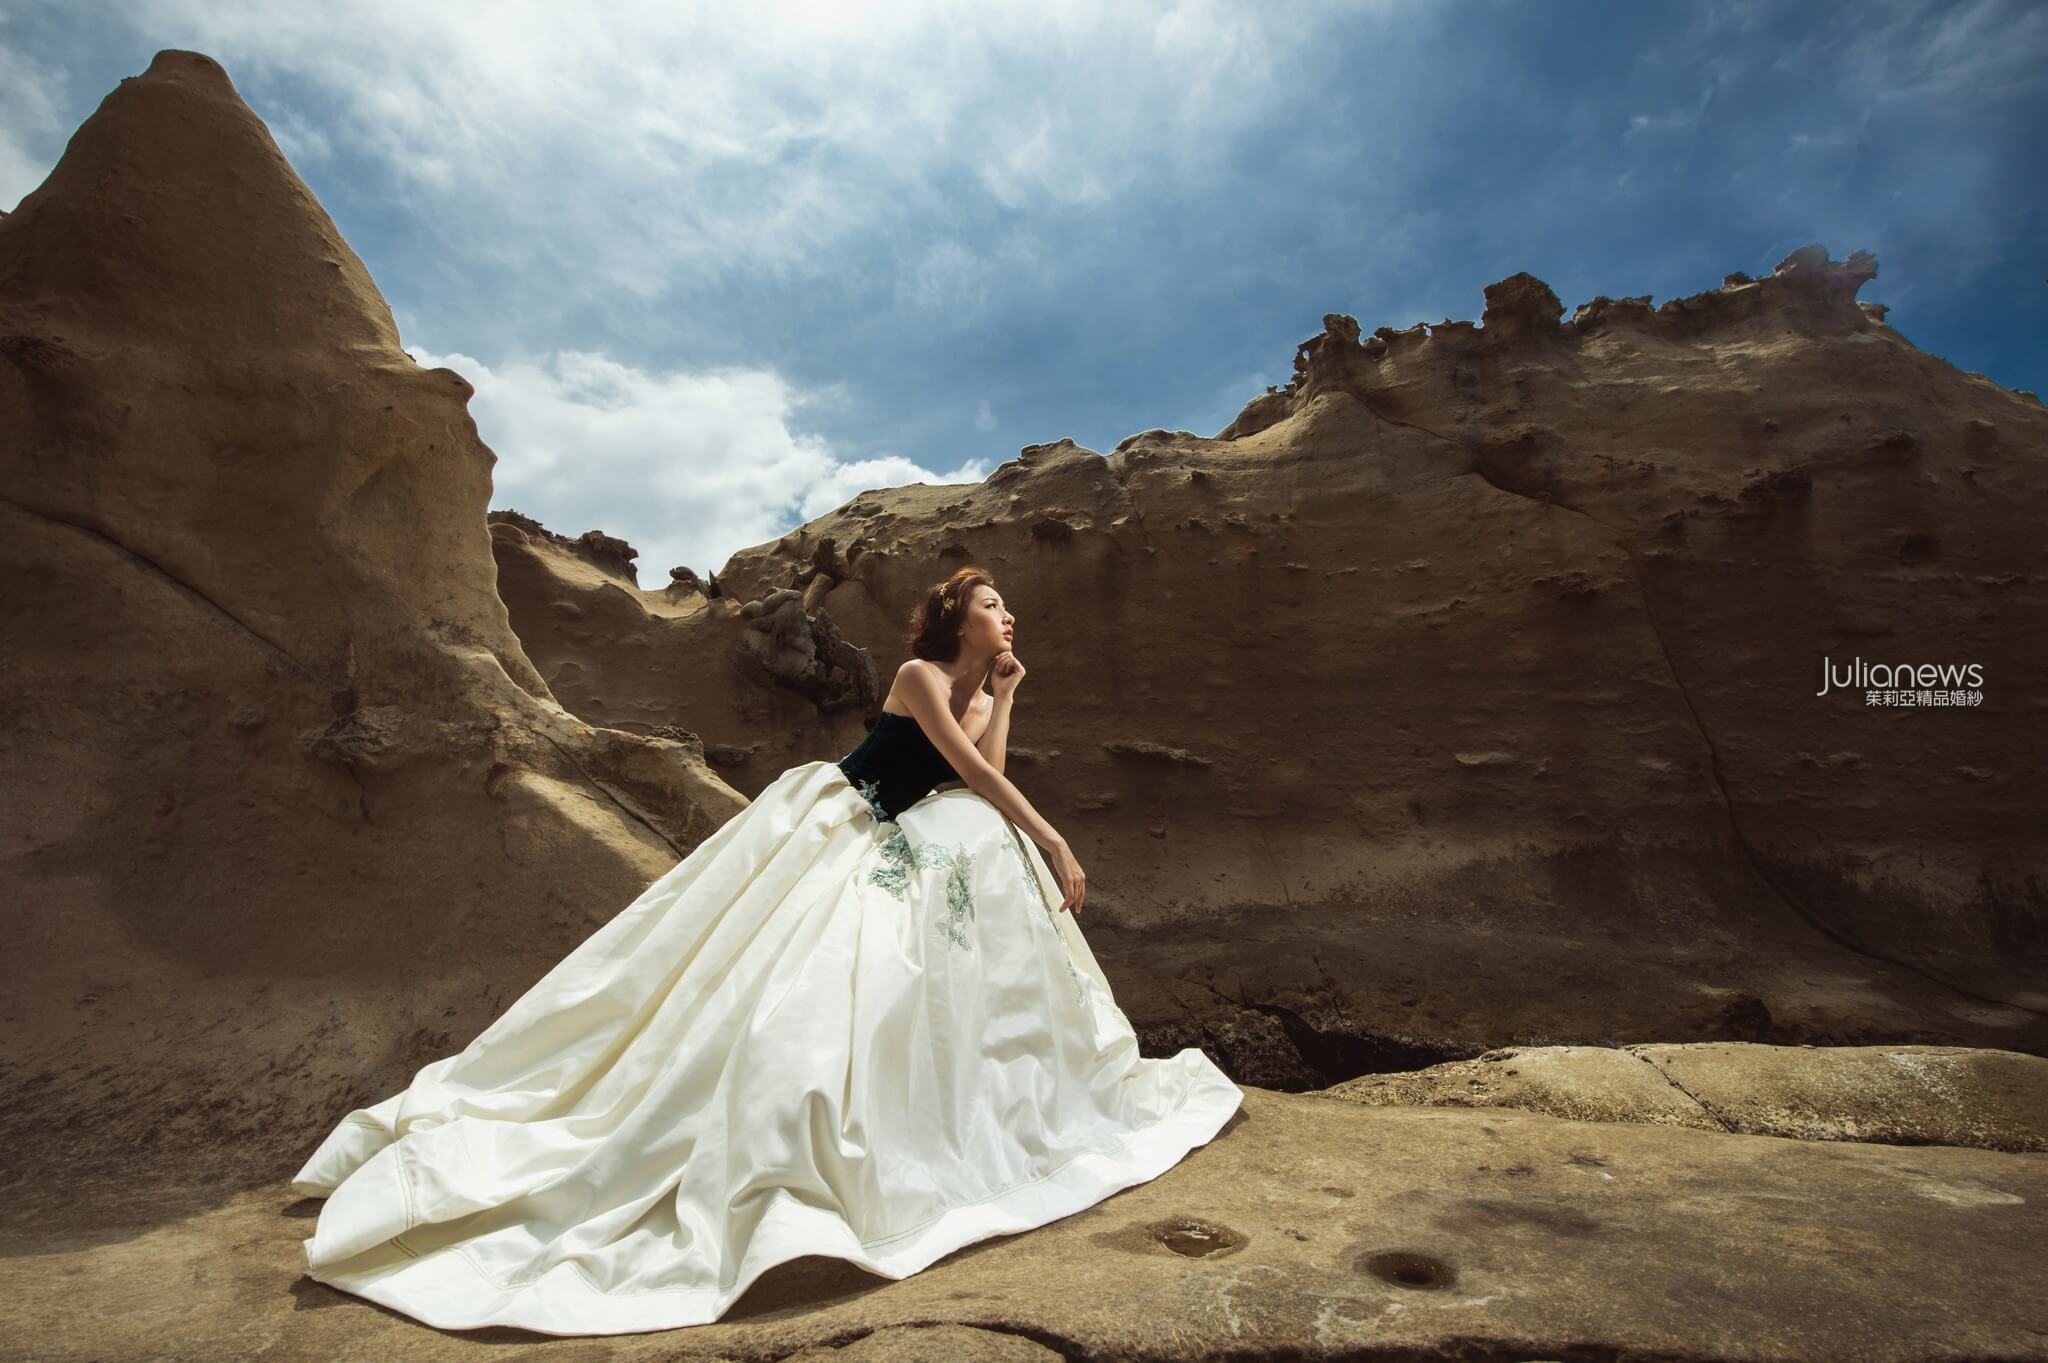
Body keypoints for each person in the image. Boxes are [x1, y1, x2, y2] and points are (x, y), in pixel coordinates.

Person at [289, 565, 1244, 1336]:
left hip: (908, 830)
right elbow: (966, 772)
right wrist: (1057, 838)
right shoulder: (917, 677)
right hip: (845, 820)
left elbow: (981, 777)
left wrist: (1006, 696)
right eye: (995, 606)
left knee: (971, 859)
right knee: (785, 968)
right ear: (958, 617)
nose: (1010, 617)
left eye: (1007, 609)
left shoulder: (976, 689)